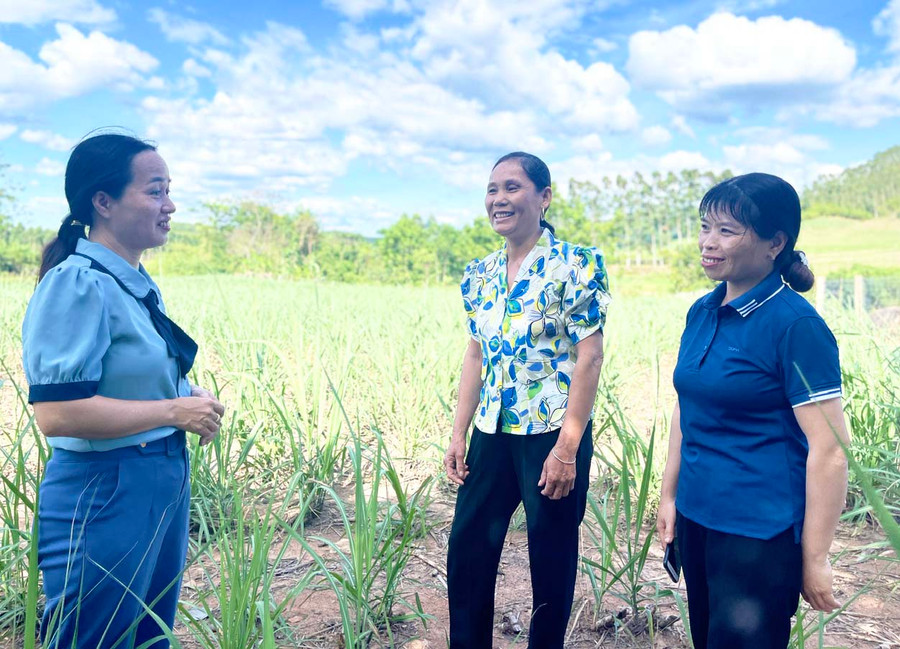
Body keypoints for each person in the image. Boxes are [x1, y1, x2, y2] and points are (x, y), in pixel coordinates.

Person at [22, 132, 225, 649]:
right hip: (105, 488)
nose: (169, 205)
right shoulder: (78, 282)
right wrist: (174, 410)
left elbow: (130, 378)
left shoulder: (133, 281)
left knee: (149, 635)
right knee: (95, 637)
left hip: (158, 477)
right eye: (155, 191)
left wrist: (187, 394)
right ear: (103, 202)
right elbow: (58, 413)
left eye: (169, 191)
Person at [656, 173, 850, 649]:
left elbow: (830, 451)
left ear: (775, 243)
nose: (708, 242)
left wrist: (815, 557)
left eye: (727, 231)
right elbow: (687, 407)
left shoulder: (795, 325)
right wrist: (669, 496)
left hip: (758, 533)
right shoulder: (702, 311)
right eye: (705, 227)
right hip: (698, 519)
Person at [444, 152, 610, 649]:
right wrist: (458, 433)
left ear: (544, 197)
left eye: (512, 187)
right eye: (492, 189)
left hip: (551, 432)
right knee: (467, 550)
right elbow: (475, 355)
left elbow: (590, 356)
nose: (499, 199)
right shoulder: (480, 274)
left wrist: (568, 447)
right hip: (491, 431)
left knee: (551, 559)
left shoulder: (576, 265)